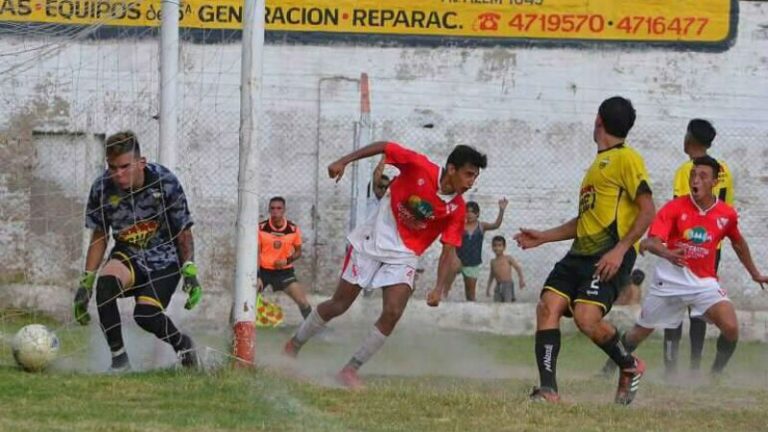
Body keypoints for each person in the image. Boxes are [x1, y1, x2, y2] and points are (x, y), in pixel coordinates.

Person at [282, 141, 487, 389]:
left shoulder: (457, 208)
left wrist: (439, 288)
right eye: (468, 174)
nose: (471, 182)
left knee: (392, 312)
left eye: (475, 177)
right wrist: (344, 160)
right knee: (340, 304)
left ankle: (349, 370)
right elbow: (384, 146)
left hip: (404, 254)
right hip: (372, 240)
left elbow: (449, 251)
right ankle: (293, 344)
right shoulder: (419, 166)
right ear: (451, 169)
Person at [514, 96, 655, 405]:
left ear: (598, 121)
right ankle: (548, 390)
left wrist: (619, 250)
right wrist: (544, 237)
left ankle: (629, 365)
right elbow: (585, 221)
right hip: (578, 254)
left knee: (586, 318)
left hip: (607, 256)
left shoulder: (627, 159)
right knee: (547, 306)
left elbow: (648, 210)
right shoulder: (597, 166)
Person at [598, 156, 768, 378]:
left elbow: (738, 243)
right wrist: (666, 252)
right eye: (693, 175)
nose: (695, 180)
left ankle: (715, 374)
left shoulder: (726, 214)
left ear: (714, 182)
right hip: (668, 282)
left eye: (702, 176)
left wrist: (755, 274)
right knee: (638, 333)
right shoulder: (674, 208)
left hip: (703, 283)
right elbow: (650, 242)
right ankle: (608, 370)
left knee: (731, 327)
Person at [73, 131, 201, 372]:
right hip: (128, 255)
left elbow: (183, 230)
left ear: (141, 162)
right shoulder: (102, 188)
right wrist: (86, 283)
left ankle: (183, 345)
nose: (118, 174)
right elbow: (100, 235)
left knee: (146, 315)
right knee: (106, 285)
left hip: (164, 260)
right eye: (112, 168)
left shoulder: (165, 182)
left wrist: (190, 271)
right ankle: (120, 363)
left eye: (124, 167)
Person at [664, 119, 735, 375]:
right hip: (712, 251)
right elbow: (726, 212)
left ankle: (671, 368)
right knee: (700, 306)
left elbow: (679, 210)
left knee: (673, 305)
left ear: (689, 138)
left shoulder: (688, 170)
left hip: (685, 250)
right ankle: (694, 367)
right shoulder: (723, 170)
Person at [258, 196, 312, 319]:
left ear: (284, 210)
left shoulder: (293, 229)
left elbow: (298, 252)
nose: (275, 211)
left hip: (284, 272)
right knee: (242, 299)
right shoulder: (260, 228)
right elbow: (255, 253)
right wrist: (257, 276)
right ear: (268, 210)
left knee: (303, 302)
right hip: (262, 271)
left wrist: (286, 260)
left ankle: (313, 330)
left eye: (279, 208)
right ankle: (233, 329)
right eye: (272, 208)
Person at [445, 199, 508, 301]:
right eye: (467, 211)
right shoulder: (460, 225)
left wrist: (501, 210)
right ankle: (442, 298)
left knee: (470, 294)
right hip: (458, 261)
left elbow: (496, 225)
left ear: (477, 213)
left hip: (472, 263)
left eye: (472, 212)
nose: (469, 214)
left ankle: (471, 312)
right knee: (446, 284)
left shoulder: (481, 226)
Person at [486, 236, 525, 302]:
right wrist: (488, 288)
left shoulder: (508, 258)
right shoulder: (493, 261)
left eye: (499, 245)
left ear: (504, 247)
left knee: (508, 302)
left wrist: (521, 280)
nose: (497, 248)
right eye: (495, 245)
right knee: (497, 303)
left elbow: (518, 268)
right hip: (498, 285)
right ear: (492, 247)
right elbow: (491, 275)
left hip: (507, 285)